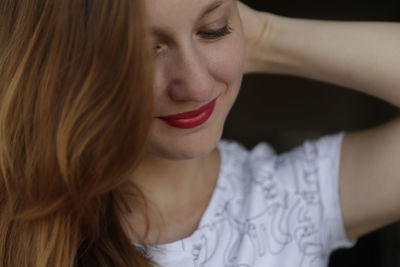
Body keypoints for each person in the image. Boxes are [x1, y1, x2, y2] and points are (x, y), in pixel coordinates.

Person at [0, 0, 399, 267]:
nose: (195, 87)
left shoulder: (292, 199)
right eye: (142, 51)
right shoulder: (17, 221)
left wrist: (264, 35)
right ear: (63, 66)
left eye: (213, 30)